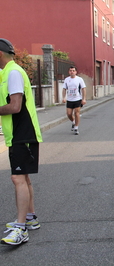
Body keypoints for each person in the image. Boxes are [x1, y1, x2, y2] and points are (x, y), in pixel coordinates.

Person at [0, 38, 43, 245]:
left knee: (18, 179)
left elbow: (15, 106)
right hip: (19, 134)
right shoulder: (7, 72)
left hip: (23, 133)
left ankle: (20, 229)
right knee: (23, 178)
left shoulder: (13, 73)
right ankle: (30, 218)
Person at [62, 66, 86, 135]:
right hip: (69, 99)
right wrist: (64, 97)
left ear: (76, 72)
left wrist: (84, 99)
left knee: (76, 113)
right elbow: (64, 89)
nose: (72, 72)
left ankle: (76, 127)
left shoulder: (79, 79)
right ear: (69, 72)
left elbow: (83, 89)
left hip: (77, 99)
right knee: (69, 114)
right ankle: (73, 121)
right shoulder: (66, 80)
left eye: (73, 70)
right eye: (70, 70)